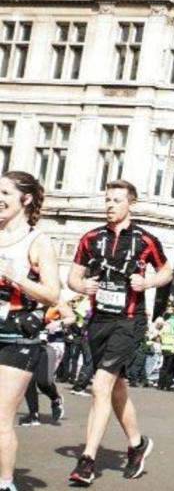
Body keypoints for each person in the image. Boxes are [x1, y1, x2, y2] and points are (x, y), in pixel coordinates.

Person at [68, 180, 172, 486]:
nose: (110, 205)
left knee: (100, 386)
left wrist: (148, 283)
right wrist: (81, 286)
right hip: (98, 319)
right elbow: (74, 275)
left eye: (116, 200)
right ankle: (137, 444)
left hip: (130, 321)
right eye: (107, 200)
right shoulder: (91, 238)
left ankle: (87, 460)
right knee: (115, 388)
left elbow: (166, 271)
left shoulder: (145, 240)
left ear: (131, 204)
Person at [0, 171, 61, 491]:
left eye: (5, 193)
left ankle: (6, 483)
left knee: (0, 418)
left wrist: (17, 278)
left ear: (25, 199)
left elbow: (53, 293)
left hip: (17, 336)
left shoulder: (37, 241)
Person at [20, 301, 73, 426]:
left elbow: (72, 317)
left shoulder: (54, 301)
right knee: (29, 380)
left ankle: (56, 399)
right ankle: (34, 415)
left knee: (43, 382)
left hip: (50, 346)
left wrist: (58, 323)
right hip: (29, 345)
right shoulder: (26, 302)